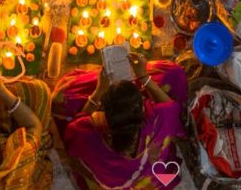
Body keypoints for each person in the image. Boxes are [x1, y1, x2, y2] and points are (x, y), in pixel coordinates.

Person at [52, 54, 187, 189]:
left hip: (117, 183)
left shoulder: (87, 136)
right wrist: (143, 77)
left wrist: (99, 91)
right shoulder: (159, 121)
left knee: (64, 98)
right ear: (142, 107)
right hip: (152, 176)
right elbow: (170, 106)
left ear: (103, 112)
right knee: (173, 73)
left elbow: (74, 125)